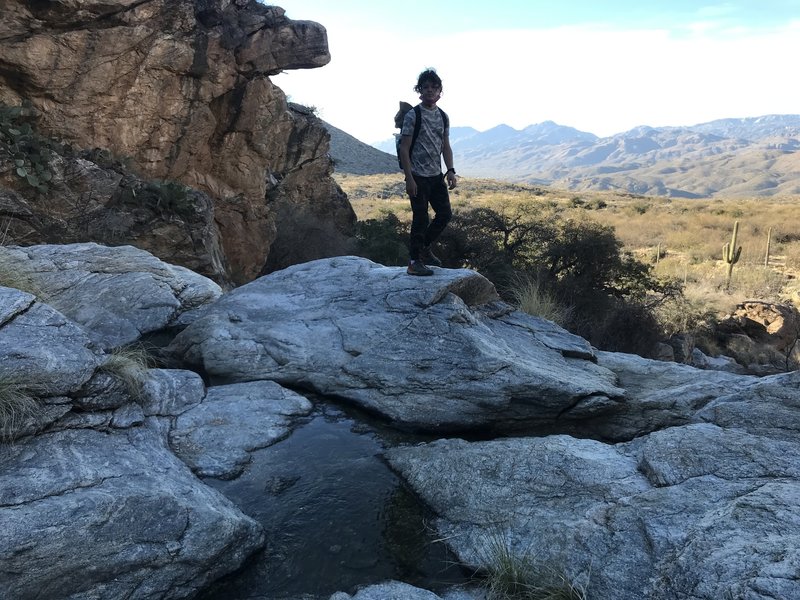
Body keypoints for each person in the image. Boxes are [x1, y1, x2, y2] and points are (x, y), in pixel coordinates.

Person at [398, 68, 457, 276]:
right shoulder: (414, 115)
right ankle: (414, 262)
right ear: (419, 91)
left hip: (435, 175)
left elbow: (445, 146)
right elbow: (404, 148)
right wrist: (409, 178)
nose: (430, 91)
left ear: (440, 91)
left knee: (444, 214)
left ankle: (423, 249)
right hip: (418, 176)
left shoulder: (443, 116)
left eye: (434, 87)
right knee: (420, 218)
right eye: (426, 87)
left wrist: (450, 170)